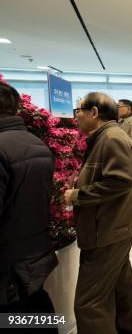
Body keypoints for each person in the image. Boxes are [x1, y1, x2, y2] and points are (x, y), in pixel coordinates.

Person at [64, 92, 132, 334]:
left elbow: (120, 180)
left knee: (89, 303)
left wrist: (77, 195)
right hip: (111, 226)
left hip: (107, 228)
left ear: (94, 112)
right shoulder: (104, 136)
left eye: (79, 112)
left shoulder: (111, 138)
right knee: (120, 287)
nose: (75, 117)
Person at [0, 83, 58, 322]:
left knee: (14, 314)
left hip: (7, 255)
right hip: (33, 246)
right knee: (36, 303)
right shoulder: (36, 143)